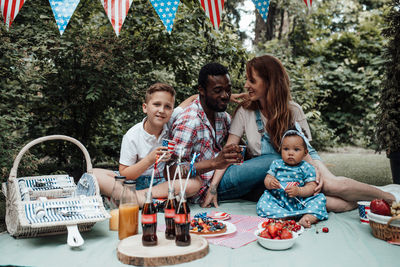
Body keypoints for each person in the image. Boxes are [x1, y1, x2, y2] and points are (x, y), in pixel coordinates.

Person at [203, 54, 399, 212]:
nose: (246, 85)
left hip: (303, 157)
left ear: (269, 83)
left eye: (252, 80)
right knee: (333, 203)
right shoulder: (245, 112)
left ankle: (390, 198)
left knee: (331, 185)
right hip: (277, 171)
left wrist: (314, 172)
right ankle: (361, 202)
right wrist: (213, 188)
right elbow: (228, 153)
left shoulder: (293, 110)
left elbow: (305, 149)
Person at [94, 83, 199, 202]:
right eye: (156, 104)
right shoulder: (132, 135)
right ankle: (147, 200)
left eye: (167, 107)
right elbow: (125, 174)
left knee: (195, 183)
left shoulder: (170, 122)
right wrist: (149, 159)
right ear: (145, 107)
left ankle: (133, 198)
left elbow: (191, 100)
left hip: (160, 184)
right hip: (133, 182)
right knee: (94, 174)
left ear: (171, 111)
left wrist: (202, 94)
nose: (161, 110)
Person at [256, 127, 328, 228]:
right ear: (281, 150)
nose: (290, 153)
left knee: (319, 201)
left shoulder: (307, 167)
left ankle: (307, 218)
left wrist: (299, 191)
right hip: (279, 200)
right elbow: (268, 178)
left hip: (301, 201)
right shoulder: (277, 164)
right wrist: (270, 182)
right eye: (286, 149)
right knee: (263, 203)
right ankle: (282, 216)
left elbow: (312, 187)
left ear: (305, 152)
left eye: (296, 149)